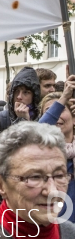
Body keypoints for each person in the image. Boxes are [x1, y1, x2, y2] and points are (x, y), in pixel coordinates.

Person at [38, 77, 75, 223]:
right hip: (52, 227)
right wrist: (65, 95)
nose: (56, 116)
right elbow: (38, 130)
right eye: (51, 112)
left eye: (62, 109)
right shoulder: (39, 152)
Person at [0, 66, 41, 146]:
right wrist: (21, 121)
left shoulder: (41, 117)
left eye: (26, 92)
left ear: (34, 96)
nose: (19, 96)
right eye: (16, 91)